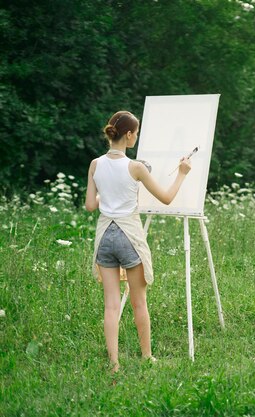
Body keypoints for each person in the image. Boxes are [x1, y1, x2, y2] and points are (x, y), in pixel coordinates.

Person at [85, 110, 191, 373]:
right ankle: (146, 357)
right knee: (138, 301)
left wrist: (108, 196)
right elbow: (166, 198)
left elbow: (90, 205)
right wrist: (182, 173)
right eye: (137, 133)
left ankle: (114, 363)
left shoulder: (95, 164)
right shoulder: (136, 167)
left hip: (104, 237)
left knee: (111, 304)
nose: (136, 137)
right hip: (128, 235)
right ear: (129, 134)